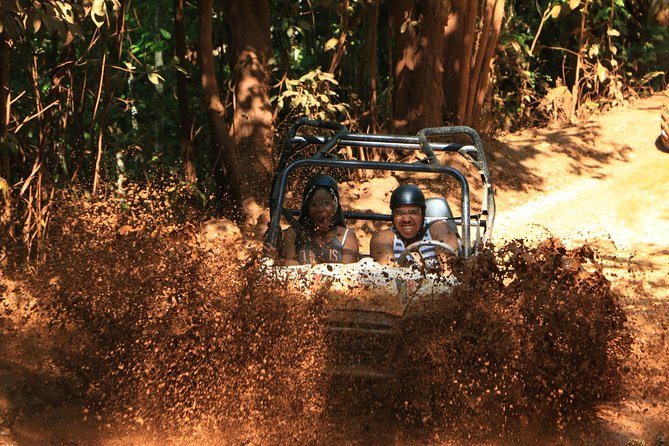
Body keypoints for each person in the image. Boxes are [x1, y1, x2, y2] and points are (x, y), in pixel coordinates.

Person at [369, 184, 459, 270]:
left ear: (423, 214)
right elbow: (387, 275)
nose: (406, 219)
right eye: (399, 213)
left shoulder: (439, 228)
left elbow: (449, 272)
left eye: (413, 212)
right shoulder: (383, 238)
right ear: (393, 216)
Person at [281, 174, 359, 265]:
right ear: (308, 209)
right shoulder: (294, 233)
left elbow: (348, 272)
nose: (320, 209)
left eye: (326, 203)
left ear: (334, 208)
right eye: (314, 204)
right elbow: (291, 266)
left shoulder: (347, 236)